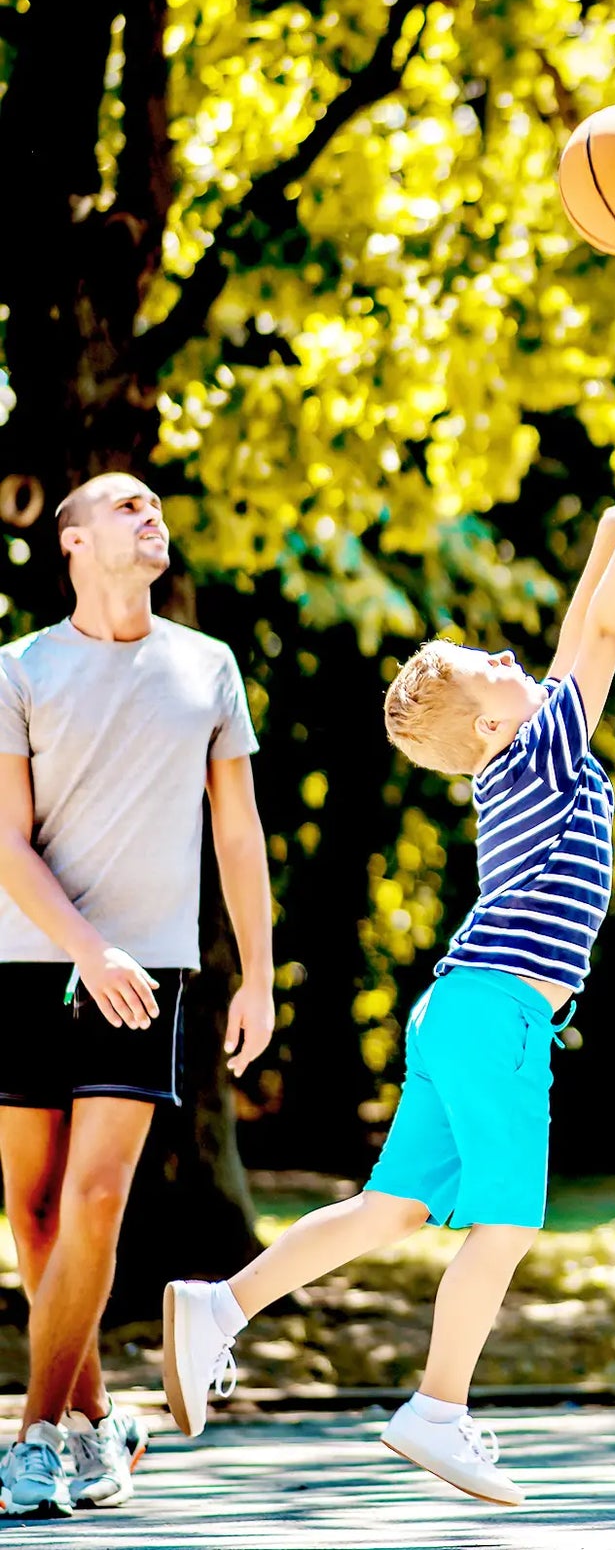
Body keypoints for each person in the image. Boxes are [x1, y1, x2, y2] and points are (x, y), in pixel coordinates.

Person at [162, 495, 615, 1505]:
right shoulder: (545, 746)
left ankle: (221, 1307)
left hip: (458, 1009)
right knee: (505, 1219)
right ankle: (437, 1408)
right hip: (497, 1014)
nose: (511, 657)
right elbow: (598, 635)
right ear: (496, 721)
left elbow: (571, 640)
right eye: (491, 667)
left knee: (393, 1207)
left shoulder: (518, 753)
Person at [0, 472, 275, 1517]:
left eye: (156, 506)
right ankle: (95, 1419)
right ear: (71, 540)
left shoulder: (208, 666)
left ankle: (33, 1437)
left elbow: (237, 832)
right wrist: (87, 948)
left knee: (97, 1197)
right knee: (34, 1211)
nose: (150, 515)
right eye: (125, 506)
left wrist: (258, 975)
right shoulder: (18, 669)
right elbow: (4, 840)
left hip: (148, 972)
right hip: (27, 962)